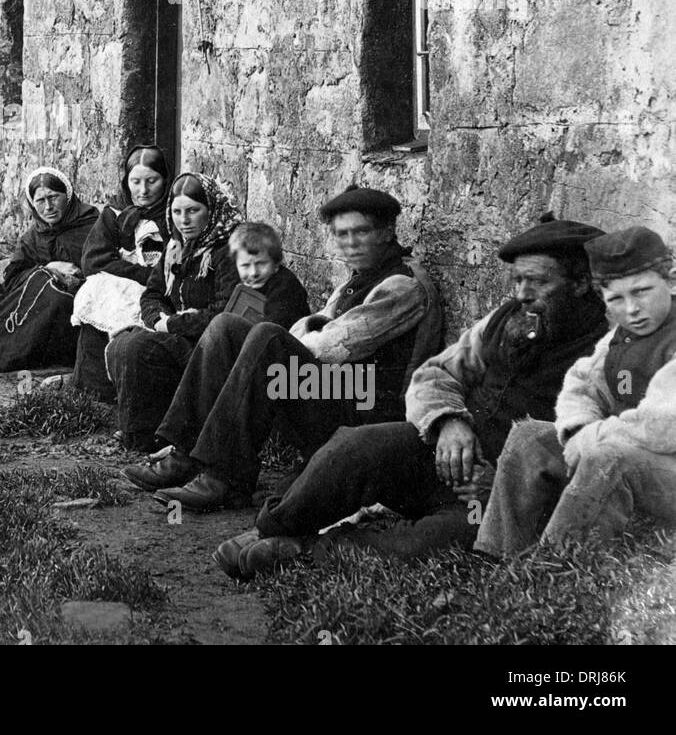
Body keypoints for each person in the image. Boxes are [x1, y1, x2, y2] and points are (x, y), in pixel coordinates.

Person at [212, 213, 610, 579]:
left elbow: (593, 453)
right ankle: (271, 527)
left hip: (498, 496)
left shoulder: (608, 349)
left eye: (538, 282)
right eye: (518, 280)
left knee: (430, 541)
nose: (522, 293)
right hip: (440, 457)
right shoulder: (505, 320)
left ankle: (307, 549)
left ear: (581, 283)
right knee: (354, 446)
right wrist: (448, 422)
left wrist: (508, 476)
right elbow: (434, 374)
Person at [145, 185, 442, 513]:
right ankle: (186, 454)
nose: (350, 243)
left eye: (361, 232)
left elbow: (333, 346)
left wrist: (272, 347)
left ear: (387, 233)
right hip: (339, 391)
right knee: (225, 326)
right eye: (342, 235)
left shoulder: (403, 284)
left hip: (370, 410)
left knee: (268, 338)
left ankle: (225, 478)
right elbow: (317, 324)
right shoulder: (360, 279)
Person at [474, 225, 676, 557]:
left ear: (669, 281)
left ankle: (554, 568)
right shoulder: (624, 335)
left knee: (607, 458)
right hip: (625, 447)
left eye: (641, 292)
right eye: (616, 299)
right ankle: (496, 551)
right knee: (528, 437)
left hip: (665, 464)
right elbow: (581, 385)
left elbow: (662, 425)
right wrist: (579, 428)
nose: (631, 310)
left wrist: (591, 438)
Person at [123, 220, 310, 491]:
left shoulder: (284, 289)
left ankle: (206, 464)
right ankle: (183, 452)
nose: (254, 272)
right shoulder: (244, 290)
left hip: (275, 377)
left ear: (277, 262)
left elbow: (272, 341)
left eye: (261, 264)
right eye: (245, 266)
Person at [104, 173, 243, 452]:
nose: (184, 220)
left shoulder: (229, 251)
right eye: (177, 212)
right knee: (122, 343)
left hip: (209, 344)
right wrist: (157, 319)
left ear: (211, 210)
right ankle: (140, 429)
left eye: (193, 211)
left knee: (139, 347)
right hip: (178, 332)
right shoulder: (177, 247)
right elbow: (153, 294)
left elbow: (227, 311)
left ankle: (150, 437)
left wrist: (174, 324)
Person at [0, 166, 98, 373]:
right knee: (43, 285)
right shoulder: (32, 237)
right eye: (40, 201)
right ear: (33, 203)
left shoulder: (93, 226)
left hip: (80, 309)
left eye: (54, 197)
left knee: (55, 297)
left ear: (67, 196)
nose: (48, 207)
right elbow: (13, 279)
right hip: (42, 308)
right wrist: (49, 269)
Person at [70, 143, 171, 400]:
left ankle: (129, 390)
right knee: (97, 291)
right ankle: (94, 388)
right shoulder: (115, 213)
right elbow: (93, 261)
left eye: (152, 181)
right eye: (135, 181)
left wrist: (147, 278)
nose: (143, 190)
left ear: (165, 180)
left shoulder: (173, 215)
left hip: (159, 291)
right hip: (120, 288)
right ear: (126, 182)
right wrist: (141, 274)